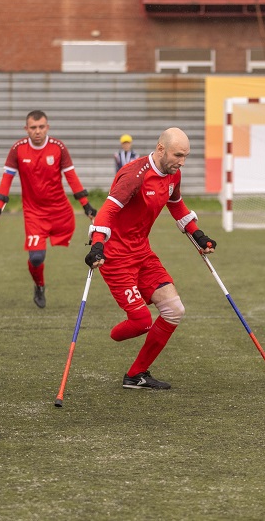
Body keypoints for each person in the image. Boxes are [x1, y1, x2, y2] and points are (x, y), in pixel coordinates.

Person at [85, 127, 216, 390]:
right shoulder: (133, 175)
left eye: (186, 156)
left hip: (143, 252)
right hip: (116, 257)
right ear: (160, 149)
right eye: (178, 155)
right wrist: (97, 244)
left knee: (174, 310)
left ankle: (136, 375)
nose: (182, 162)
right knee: (142, 322)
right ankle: (113, 334)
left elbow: (176, 204)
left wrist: (198, 235)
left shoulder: (173, 174)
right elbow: (107, 211)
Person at [0, 110, 96, 308]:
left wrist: (86, 205)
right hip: (34, 213)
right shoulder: (18, 149)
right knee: (36, 257)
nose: (37, 131)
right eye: (33, 127)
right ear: (26, 129)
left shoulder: (58, 147)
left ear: (47, 127)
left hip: (59, 211)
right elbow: (6, 179)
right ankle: (39, 285)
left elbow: (72, 177)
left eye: (41, 127)